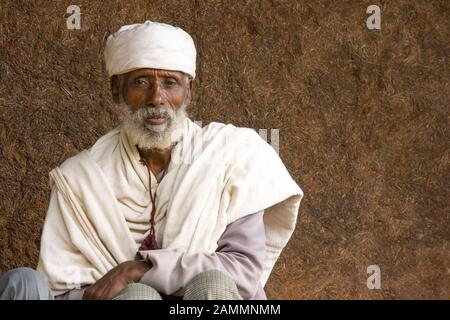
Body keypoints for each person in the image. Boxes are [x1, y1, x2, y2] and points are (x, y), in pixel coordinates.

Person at [0, 20, 303, 300]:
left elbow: (242, 272)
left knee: (213, 285)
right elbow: (64, 292)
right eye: (141, 82)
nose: (156, 98)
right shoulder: (81, 179)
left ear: (189, 91)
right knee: (136, 297)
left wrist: (138, 270)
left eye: (170, 83)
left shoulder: (229, 157)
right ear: (116, 89)